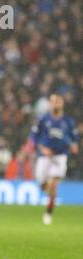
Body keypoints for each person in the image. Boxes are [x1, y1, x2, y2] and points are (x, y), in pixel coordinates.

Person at [30, 93, 79, 225]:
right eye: (53, 101)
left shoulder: (68, 121)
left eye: (58, 101)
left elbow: (74, 138)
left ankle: (48, 212)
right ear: (50, 104)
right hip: (44, 157)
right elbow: (34, 136)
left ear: (62, 104)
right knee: (42, 184)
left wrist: (74, 145)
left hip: (60, 156)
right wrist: (41, 148)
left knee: (53, 183)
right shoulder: (43, 119)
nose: (55, 104)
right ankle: (52, 198)